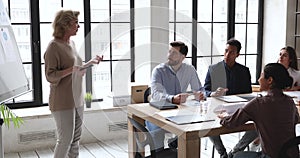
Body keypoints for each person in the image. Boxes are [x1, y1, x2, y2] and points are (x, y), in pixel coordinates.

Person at [44, 10, 103, 158]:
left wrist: (91, 62)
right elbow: (50, 76)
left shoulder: (72, 43)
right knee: (65, 140)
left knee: (75, 140)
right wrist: (72, 69)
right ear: (64, 25)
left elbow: (77, 69)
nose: (78, 26)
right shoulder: (53, 47)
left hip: (77, 98)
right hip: (62, 101)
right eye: (75, 23)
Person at [218, 63, 299, 158]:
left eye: (261, 76)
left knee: (236, 156)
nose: (258, 80)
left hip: (271, 156)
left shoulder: (258, 103)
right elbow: (296, 119)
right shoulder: (290, 102)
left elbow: (231, 123)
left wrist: (224, 117)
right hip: (292, 155)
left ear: (270, 80)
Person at [146, 41, 205, 151]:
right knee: (158, 134)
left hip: (180, 112)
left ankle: (175, 144)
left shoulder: (189, 69)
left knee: (194, 129)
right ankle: (160, 154)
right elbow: (156, 94)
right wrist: (172, 98)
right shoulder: (158, 70)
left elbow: (199, 89)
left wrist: (200, 95)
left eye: (174, 53)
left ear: (183, 57)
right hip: (158, 112)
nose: (169, 55)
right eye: (169, 52)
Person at [204, 38, 256, 158]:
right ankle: (222, 153)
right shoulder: (213, 69)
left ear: (237, 54)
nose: (227, 54)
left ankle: (234, 152)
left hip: (239, 108)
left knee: (257, 125)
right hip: (218, 108)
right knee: (207, 125)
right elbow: (205, 90)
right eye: (226, 51)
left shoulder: (244, 71)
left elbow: (248, 94)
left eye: (232, 52)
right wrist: (212, 94)